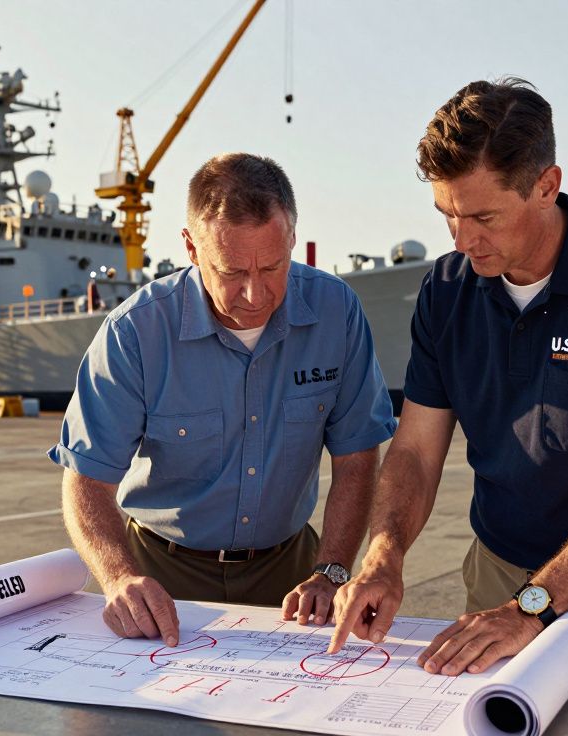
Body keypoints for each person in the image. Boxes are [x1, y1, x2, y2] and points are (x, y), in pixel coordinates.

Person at [330, 79, 568, 677]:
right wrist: (384, 553)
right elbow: (416, 450)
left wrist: (531, 607)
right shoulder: (446, 289)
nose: (463, 240)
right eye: (448, 215)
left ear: (546, 186)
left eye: (484, 217)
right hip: (496, 575)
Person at [51, 153, 396, 646]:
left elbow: (357, 457)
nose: (255, 294)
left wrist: (332, 571)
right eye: (232, 272)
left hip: (296, 573)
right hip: (160, 572)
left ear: (292, 238)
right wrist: (119, 578)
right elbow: (87, 481)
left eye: (272, 267)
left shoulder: (337, 312)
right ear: (191, 248)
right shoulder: (135, 333)